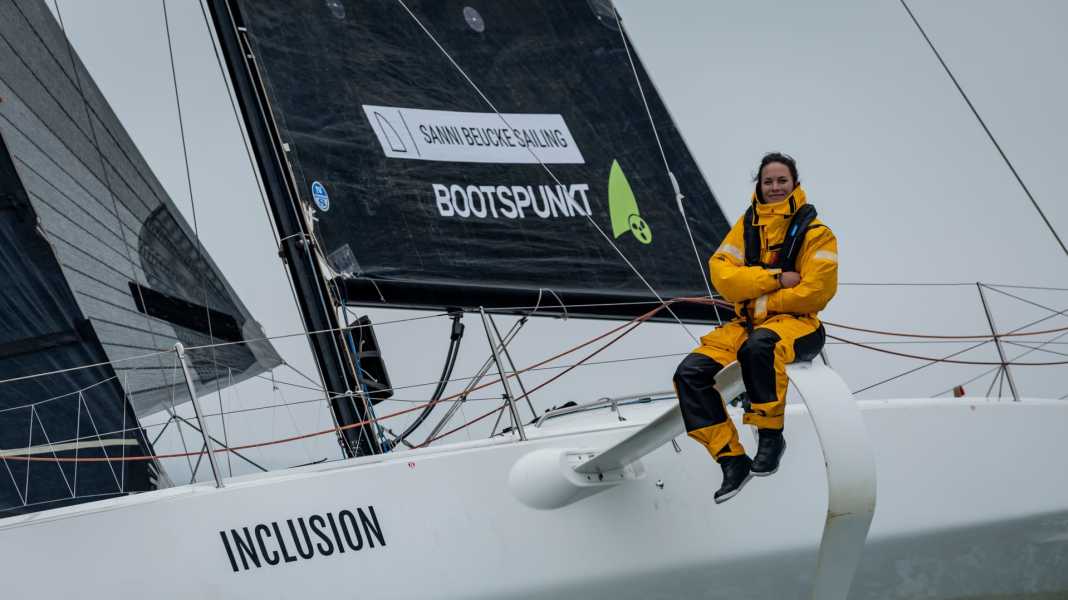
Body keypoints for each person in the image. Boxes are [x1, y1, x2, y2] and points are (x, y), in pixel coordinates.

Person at [673, 152, 838, 503]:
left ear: (795, 184)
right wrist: (776, 278)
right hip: (744, 325)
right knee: (689, 374)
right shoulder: (745, 227)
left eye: (782, 181)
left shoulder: (817, 234)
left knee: (759, 348)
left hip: (799, 327)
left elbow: (814, 292)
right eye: (769, 181)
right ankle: (732, 460)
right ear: (759, 185)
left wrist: (758, 296)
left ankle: (770, 436)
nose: (775, 187)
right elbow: (723, 276)